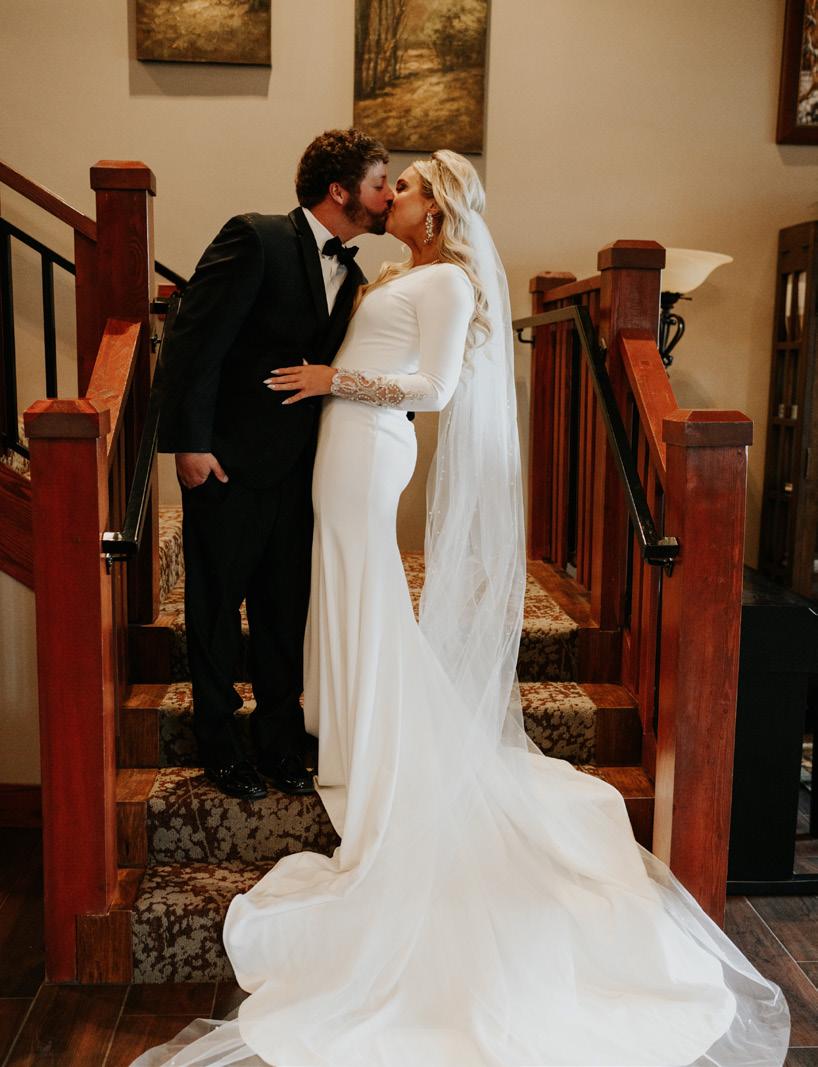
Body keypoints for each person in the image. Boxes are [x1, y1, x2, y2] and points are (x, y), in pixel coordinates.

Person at [137, 152, 790, 1066]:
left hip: (367, 445)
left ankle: (377, 744)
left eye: (404, 185)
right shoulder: (387, 269)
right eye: (385, 182)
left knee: (364, 589)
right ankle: (340, 730)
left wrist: (333, 382)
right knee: (340, 590)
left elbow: (437, 390)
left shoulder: (445, 282)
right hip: (329, 450)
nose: (390, 193)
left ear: (436, 207)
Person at [158, 129, 393, 801]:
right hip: (227, 462)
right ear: (340, 190)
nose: (387, 196)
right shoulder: (256, 238)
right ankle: (217, 742)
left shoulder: (355, 277)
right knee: (214, 609)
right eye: (380, 183)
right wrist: (190, 444)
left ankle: (280, 741)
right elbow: (193, 339)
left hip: (304, 470)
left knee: (284, 611)